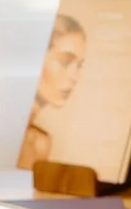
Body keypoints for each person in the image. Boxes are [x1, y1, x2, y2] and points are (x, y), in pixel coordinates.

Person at [16, 12, 87, 169]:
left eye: (79, 65)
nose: (75, 77)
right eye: (65, 61)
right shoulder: (2, 136)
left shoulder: (40, 142)